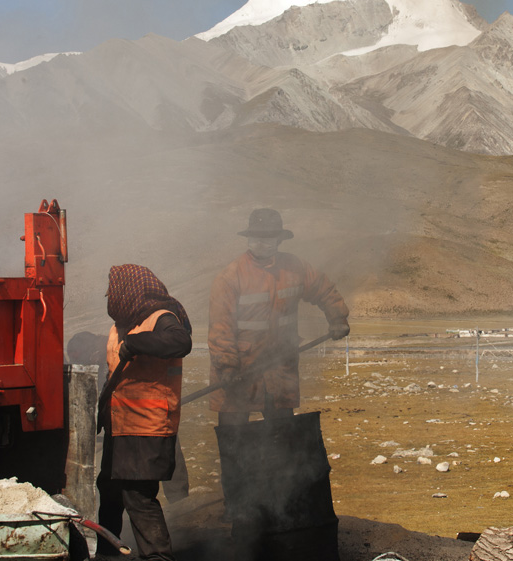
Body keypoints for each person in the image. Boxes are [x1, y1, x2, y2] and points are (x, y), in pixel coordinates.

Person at [208, 208, 350, 426]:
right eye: (257, 238)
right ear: (249, 239)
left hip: (280, 364)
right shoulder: (230, 276)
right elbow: (221, 327)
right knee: (234, 437)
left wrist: (338, 318)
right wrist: (227, 367)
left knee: (282, 435)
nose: (261, 243)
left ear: (279, 240)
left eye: (268, 238)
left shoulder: (295, 267)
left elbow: (323, 288)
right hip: (241, 369)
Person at [97, 264, 192, 561]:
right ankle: (108, 553)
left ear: (130, 290)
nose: (110, 296)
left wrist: (137, 343)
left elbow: (181, 342)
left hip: (146, 427)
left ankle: (157, 556)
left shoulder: (161, 317)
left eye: (113, 290)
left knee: (138, 496)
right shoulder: (121, 324)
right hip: (121, 425)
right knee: (110, 491)